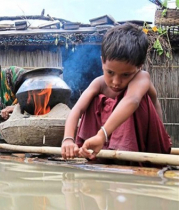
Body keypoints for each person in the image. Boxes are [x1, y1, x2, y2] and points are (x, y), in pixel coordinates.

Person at [61, 23, 171, 162]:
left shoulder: (142, 77)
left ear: (139, 67)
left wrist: (102, 135)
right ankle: (99, 152)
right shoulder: (99, 83)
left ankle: (115, 151)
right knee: (94, 99)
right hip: (105, 139)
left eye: (125, 75)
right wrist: (68, 139)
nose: (116, 82)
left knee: (130, 101)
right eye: (110, 72)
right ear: (102, 62)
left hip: (146, 143)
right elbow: (77, 109)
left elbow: (132, 101)